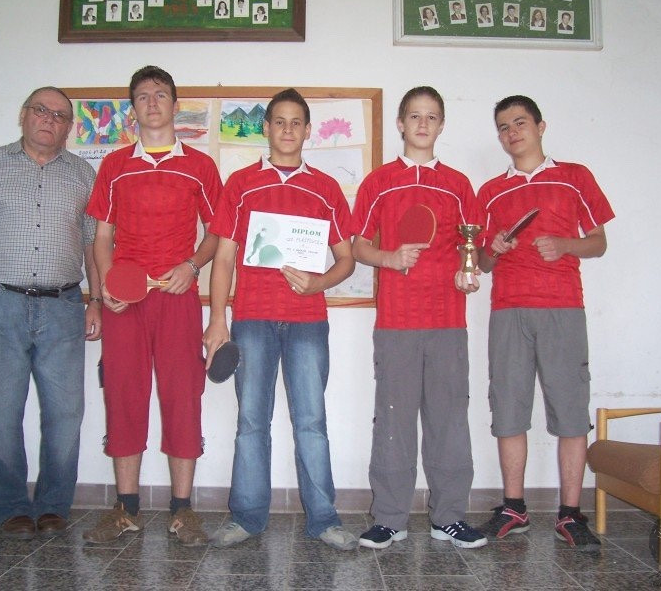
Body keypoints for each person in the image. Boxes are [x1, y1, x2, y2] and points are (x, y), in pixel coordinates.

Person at [204, 88, 358, 551]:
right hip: (252, 320)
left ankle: (324, 519)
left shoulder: (326, 188)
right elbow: (223, 259)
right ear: (266, 128)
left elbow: (347, 260)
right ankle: (247, 516)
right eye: (279, 121)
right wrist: (217, 320)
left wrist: (318, 283)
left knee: (311, 422)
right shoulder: (241, 183)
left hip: (308, 321)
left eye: (296, 122)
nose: (287, 130)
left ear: (308, 131)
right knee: (252, 422)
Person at [0, 86, 101, 539]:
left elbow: (93, 244)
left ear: (69, 128)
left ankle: (54, 504)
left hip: (63, 306)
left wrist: (95, 299)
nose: (49, 119)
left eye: (60, 115)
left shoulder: (83, 174)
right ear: (23, 115)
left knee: (65, 413)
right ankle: (11, 506)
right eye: (41, 110)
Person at [82, 66, 222, 546]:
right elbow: (102, 237)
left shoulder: (200, 166)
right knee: (123, 395)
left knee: (183, 396)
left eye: (160, 94)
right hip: (126, 303)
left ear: (175, 105)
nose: (152, 102)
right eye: (142, 96)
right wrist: (108, 289)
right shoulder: (114, 165)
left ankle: (183, 511)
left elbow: (218, 233)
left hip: (177, 299)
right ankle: (125, 508)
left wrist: (192, 265)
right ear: (133, 108)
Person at [350, 86, 487, 551]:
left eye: (431, 117)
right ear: (401, 124)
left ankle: (449, 517)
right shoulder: (378, 182)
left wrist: (469, 272)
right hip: (396, 323)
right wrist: (388, 258)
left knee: (450, 421)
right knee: (393, 421)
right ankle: (390, 519)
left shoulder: (459, 185)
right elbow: (358, 245)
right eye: (414, 116)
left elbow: (472, 248)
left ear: (442, 124)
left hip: (448, 321)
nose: (423, 124)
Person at [475, 96, 614, 547]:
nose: (512, 132)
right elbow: (481, 263)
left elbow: (599, 242)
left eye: (520, 122)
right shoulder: (489, 191)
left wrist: (565, 245)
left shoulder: (574, 176)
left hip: (563, 308)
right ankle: (514, 507)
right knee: (508, 411)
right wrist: (493, 249)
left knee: (570, 413)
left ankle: (570, 514)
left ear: (540, 126)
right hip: (507, 310)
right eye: (503, 127)